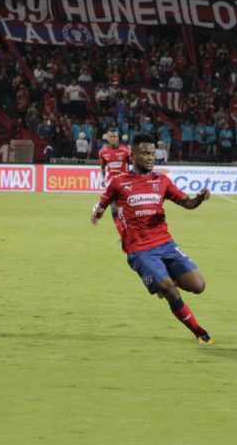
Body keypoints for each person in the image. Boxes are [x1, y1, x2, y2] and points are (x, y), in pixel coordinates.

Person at [91, 133, 214, 345]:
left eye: (153, 153)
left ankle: (164, 280)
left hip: (166, 243)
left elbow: (188, 203)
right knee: (168, 289)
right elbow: (102, 204)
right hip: (139, 250)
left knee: (198, 286)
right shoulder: (118, 182)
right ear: (133, 155)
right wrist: (97, 213)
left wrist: (200, 198)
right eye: (146, 153)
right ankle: (199, 332)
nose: (151, 157)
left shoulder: (161, 180)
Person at [97, 129, 132, 238]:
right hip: (111, 185)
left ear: (118, 138)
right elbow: (102, 167)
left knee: (127, 211)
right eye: (110, 137)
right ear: (107, 138)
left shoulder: (126, 150)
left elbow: (134, 163)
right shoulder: (103, 152)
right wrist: (103, 179)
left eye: (115, 136)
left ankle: (130, 233)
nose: (113, 139)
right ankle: (123, 236)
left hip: (125, 184)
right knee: (114, 209)